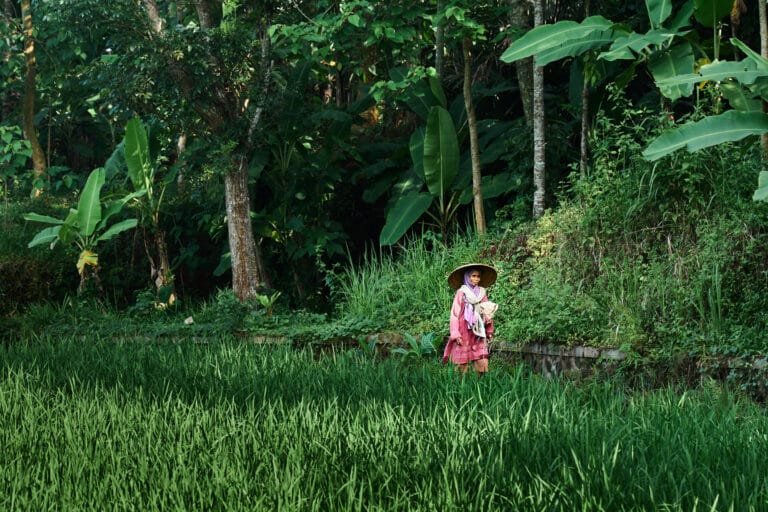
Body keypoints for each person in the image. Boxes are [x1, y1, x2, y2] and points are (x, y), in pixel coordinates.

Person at [442, 263, 499, 376]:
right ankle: (461, 385)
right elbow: (455, 314)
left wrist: (489, 330)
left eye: (478, 276)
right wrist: (456, 333)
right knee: (462, 359)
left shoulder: (482, 293)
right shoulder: (461, 293)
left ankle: (479, 384)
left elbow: (486, 310)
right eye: (473, 276)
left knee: (481, 355)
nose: (476, 279)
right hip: (464, 328)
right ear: (467, 277)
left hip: (478, 328)